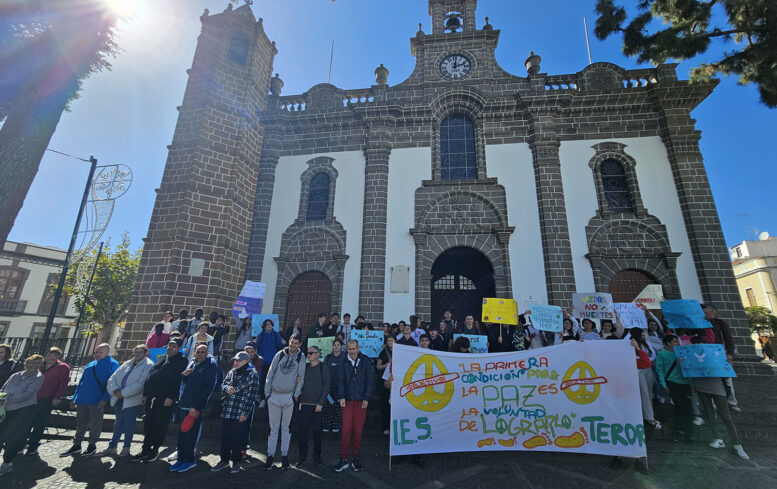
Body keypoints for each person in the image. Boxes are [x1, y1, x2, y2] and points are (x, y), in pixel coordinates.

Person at [689, 336, 749, 459]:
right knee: (709, 413)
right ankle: (718, 438)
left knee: (725, 416)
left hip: (717, 387)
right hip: (701, 387)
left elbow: (726, 374)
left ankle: (737, 444)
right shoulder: (691, 356)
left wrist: (727, 365)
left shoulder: (715, 354)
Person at [132, 338, 188, 462]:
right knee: (148, 423)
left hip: (165, 398)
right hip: (152, 397)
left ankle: (155, 449)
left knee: (160, 424)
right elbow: (151, 375)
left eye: (174, 346)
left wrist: (171, 397)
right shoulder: (160, 358)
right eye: (169, 345)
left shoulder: (182, 361)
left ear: (179, 348)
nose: (171, 348)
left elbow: (177, 380)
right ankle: (145, 449)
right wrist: (146, 394)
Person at [60, 343, 119, 457]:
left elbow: (111, 383)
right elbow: (82, 382)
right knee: (80, 423)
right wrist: (75, 397)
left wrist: (105, 398)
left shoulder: (113, 364)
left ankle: (92, 445)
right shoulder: (91, 364)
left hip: (97, 399)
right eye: (96, 352)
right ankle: (76, 445)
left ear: (107, 352)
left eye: (100, 352)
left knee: (95, 424)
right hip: (83, 398)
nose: (97, 354)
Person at [169, 343, 219, 472]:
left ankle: (189, 460)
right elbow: (187, 382)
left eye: (203, 352)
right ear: (194, 353)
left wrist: (196, 406)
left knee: (191, 435)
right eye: (198, 352)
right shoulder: (192, 363)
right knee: (182, 434)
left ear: (207, 353)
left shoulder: (210, 365)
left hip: (194, 407)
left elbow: (208, 388)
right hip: (184, 404)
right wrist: (183, 375)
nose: (200, 354)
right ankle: (181, 459)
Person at [96, 345, 154, 457]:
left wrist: (123, 393)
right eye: (136, 351)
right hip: (118, 398)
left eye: (140, 352)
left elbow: (141, 384)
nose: (137, 354)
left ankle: (126, 447)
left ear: (145, 353)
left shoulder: (149, 365)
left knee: (129, 424)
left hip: (131, 400)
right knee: (118, 423)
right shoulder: (127, 363)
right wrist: (116, 390)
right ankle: (112, 446)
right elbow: (113, 378)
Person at [211, 351, 259, 474]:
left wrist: (245, 413)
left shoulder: (252, 374)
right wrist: (227, 388)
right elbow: (223, 384)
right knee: (225, 437)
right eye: (235, 360)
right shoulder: (232, 372)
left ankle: (236, 461)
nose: (236, 362)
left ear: (246, 361)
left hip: (240, 410)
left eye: (238, 360)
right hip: (228, 409)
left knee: (238, 438)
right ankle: (224, 460)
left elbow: (251, 396)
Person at [263, 334, 305, 470]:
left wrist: (296, 395)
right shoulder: (279, 355)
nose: (293, 345)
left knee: (286, 428)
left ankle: (284, 456)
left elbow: (301, 376)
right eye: (292, 342)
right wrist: (267, 393)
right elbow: (270, 373)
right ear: (289, 342)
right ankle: (270, 456)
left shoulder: (301, 357)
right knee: (273, 428)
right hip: (274, 395)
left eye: (296, 343)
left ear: (300, 344)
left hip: (289, 397)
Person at [334, 339, 374, 473]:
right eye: (349, 349)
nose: (351, 351)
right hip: (348, 400)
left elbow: (370, 380)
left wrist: (367, 398)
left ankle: (355, 458)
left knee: (358, 431)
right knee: (346, 431)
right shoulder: (343, 361)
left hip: (361, 401)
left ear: (358, 348)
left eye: (354, 348)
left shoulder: (366, 361)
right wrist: (341, 396)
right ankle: (344, 458)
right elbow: (340, 380)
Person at [0, 354, 44, 476]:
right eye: (31, 363)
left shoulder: (38, 377)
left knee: (13, 436)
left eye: (36, 364)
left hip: (23, 410)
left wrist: (8, 399)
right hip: (6, 409)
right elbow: (4, 388)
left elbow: (28, 394)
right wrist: (2, 397)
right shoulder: (15, 375)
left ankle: (7, 462)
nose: (33, 366)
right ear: (26, 363)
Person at [26, 347, 71, 455]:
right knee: (27, 421)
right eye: (49, 355)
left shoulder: (62, 367)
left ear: (58, 357)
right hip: (33, 397)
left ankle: (33, 444)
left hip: (47, 397)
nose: (51, 358)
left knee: (40, 422)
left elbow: (63, 383)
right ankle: (22, 442)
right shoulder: (40, 366)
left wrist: (57, 397)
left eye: (54, 356)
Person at [296, 345, 330, 468]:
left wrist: (321, 403)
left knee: (317, 433)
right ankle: (302, 456)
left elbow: (326, 385)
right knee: (302, 433)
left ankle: (317, 457)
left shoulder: (323, 367)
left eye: (311, 353)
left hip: (317, 406)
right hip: (304, 405)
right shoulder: (304, 367)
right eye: (308, 353)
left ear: (317, 354)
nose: (309, 355)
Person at [701, 304, 740, 412]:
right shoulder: (700, 324)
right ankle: (714, 403)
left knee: (727, 378)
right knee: (711, 378)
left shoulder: (719, 323)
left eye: (706, 312)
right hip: (707, 354)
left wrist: (730, 354)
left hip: (720, 353)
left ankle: (732, 402)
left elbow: (728, 338)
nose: (705, 314)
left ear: (712, 311)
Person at [656, 334, 693, 442]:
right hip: (672, 382)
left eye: (678, 341)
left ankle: (689, 432)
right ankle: (679, 429)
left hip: (685, 383)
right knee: (680, 405)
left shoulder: (683, 352)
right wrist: (663, 384)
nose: (678, 343)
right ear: (668, 343)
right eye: (675, 341)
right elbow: (660, 370)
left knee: (688, 407)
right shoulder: (662, 354)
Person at [628, 337, 661, 430]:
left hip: (640, 375)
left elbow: (647, 363)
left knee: (646, 396)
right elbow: (647, 362)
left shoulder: (635, 358)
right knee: (645, 397)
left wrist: (638, 349)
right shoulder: (629, 358)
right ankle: (649, 418)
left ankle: (648, 417)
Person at [256, 319, 284, 409]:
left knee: (272, 381)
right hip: (262, 362)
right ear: (264, 326)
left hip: (273, 362)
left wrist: (284, 343)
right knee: (263, 380)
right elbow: (257, 346)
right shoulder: (261, 335)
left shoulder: (276, 335)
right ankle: (263, 399)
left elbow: (280, 346)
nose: (269, 326)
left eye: (270, 324)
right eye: (267, 324)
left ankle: (270, 398)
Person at [323, 339, 345, 433]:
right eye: (335, 345)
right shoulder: (328, 357)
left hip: (339, 387)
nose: (336, 347)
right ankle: (327, 426)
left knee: (337, 408)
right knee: (327, 407)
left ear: (341, 347)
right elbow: (323, 371)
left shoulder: (344, 357)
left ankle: (336, 426)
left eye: (338, 345)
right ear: (332, 346)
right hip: (328, 387)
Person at [376, 336, 394, 434]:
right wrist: (387, 365)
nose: (390, 342)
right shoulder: (383, 353)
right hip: (386, 381)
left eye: (392, 340)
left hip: (396, 382)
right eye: (389, 341)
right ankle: (385, 427)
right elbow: (378, 367)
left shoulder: (400, 352)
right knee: (385, 406)